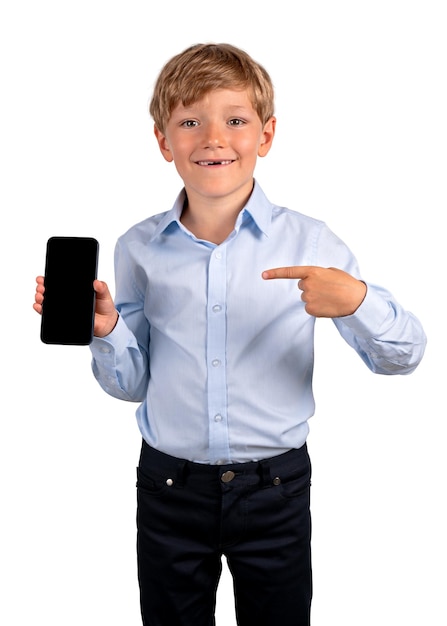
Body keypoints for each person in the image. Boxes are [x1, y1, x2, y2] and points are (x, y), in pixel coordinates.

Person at [34, 43, 427, 626]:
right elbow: (132, 384)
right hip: (169, 486)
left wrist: (357, 301)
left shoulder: (312, 242)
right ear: (164, 142)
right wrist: (109, 330)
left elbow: (404, 356)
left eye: (235, 120)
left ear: (266, 135)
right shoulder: (138, 247)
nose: (213, 138)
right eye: (190, 121)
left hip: (277, 489)